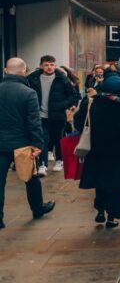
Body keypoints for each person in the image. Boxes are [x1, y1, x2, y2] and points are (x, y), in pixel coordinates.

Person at [0, 58, 56, 229]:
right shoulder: (28, 92)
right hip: (22, 144)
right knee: (31, 178)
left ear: (5, 70)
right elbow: (34, 121)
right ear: (24, 71)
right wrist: (38, 144)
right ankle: (37, 209)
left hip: (1, 144)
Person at [74, 63, 120, 228]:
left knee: (100, 180)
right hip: (119, 150)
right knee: (115, 182)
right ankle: (112, 216)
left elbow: (78, 123)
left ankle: (100, 209)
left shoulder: (91, 103)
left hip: (96, 148)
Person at [27, 55, 79, 176]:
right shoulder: (33, 78)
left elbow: (73, 96)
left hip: (58, 116)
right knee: (43, 140)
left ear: (55, 65)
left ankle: (59, 161)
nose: (49, 67)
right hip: (41, 115)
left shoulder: (62, 79)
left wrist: (62, 105)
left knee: (58, 139)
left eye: (51, 65)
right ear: (41, 66)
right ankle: (42, 165)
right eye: (46, 65)